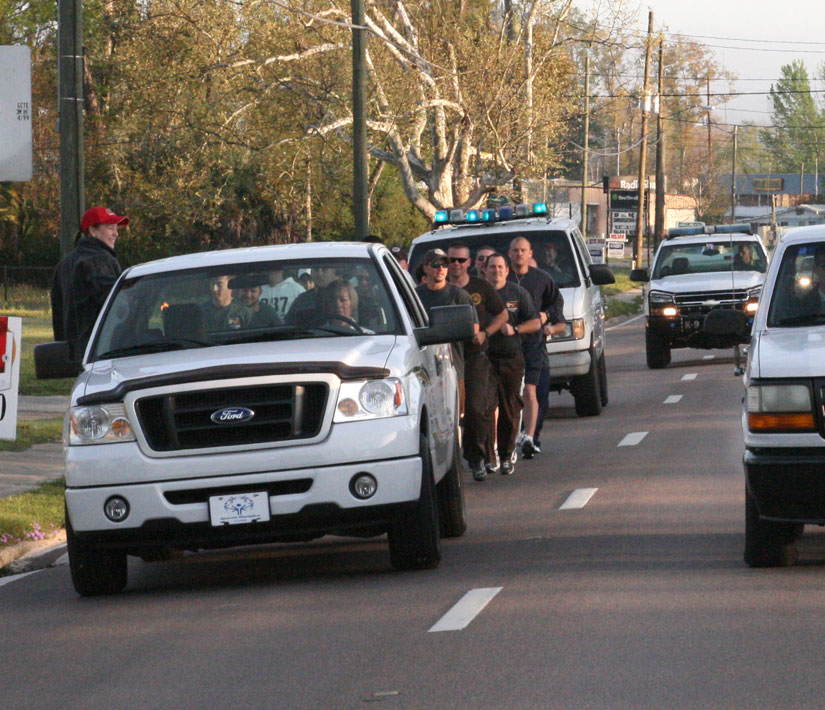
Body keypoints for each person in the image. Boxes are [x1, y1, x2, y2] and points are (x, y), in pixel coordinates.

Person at [447, 241, 509, 480]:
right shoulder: (437, 289)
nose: (455, 265)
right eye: (451, 260)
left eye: (461, 260)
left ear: (469, 263)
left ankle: (477, 458)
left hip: (475, 356)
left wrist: (486, 333)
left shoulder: (480, 287)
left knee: (475, 409)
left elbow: (502, 314)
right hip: (446, 358)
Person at [507, 236, 565, 459]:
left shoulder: (542, 279)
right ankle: (513, 437)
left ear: (530, 253)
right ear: (509, 254)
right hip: (509, 345)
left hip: (535, 344)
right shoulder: (503, 278)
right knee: (513, 394)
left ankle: (532, 438)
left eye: (523, 250)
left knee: (539, 392)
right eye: (515, 251)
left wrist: (546, 317)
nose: (519, 254)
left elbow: (556, 307)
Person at [484, 253, 541, 475]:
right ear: (485, 270)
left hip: (511, 359)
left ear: (507, 271)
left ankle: (506, 455)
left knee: (509, 409)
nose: (496, 271)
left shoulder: (517, 293)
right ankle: (489, 457)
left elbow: (535, 322)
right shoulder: (478, 293)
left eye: (500, 267)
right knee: (485, 408)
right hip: (484, 359)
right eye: (492, 267)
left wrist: (515, 329)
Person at [51, 206, 128, 360]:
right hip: (102, 350)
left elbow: (58, 312)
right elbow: (115, 305)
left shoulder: (65, 263)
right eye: (109, 228)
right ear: (92, 230)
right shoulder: (100, 259)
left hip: (75, 351)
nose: (115, 233)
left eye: (116, 228)